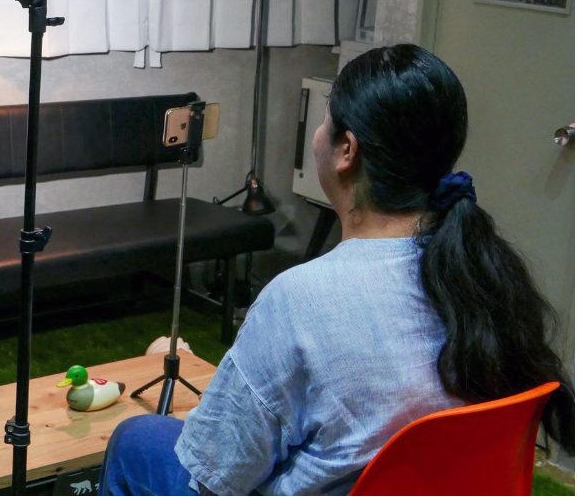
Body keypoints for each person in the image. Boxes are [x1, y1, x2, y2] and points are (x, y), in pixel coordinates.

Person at [100, 44, 575, 495]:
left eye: (324, 120)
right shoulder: (489, 278)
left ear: (347, 150)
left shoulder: (299, 299)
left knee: (137, 439)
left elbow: (218, 472)